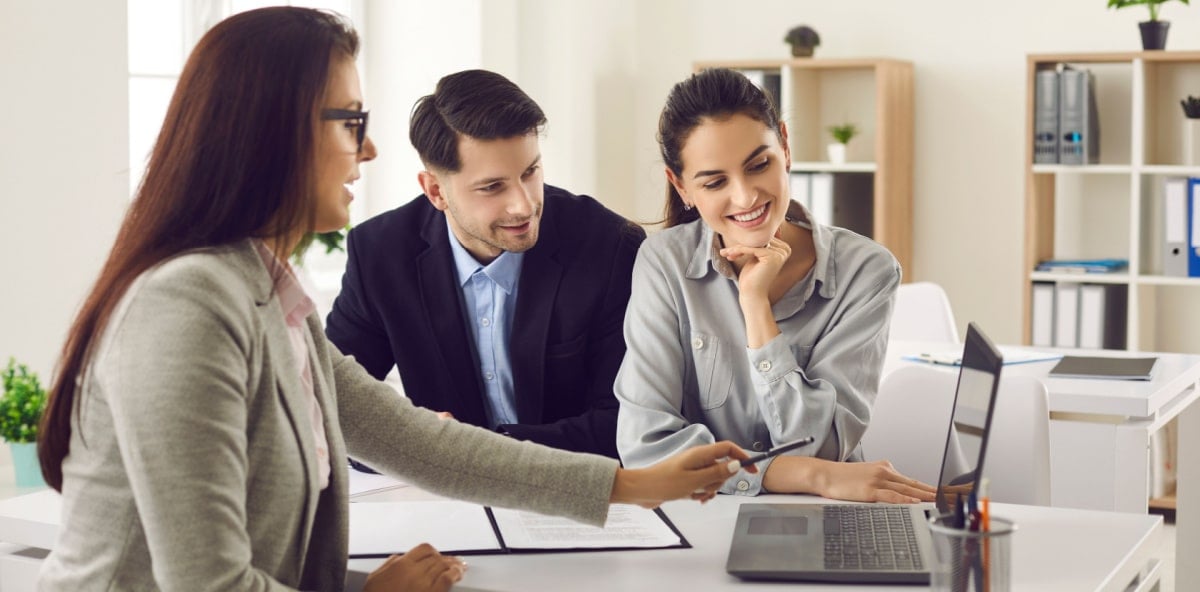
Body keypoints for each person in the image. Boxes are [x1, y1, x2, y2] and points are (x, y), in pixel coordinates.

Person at [35, 10, 750, 591]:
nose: (368, 150)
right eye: (350, 121)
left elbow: (414, 440)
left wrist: (630, 485)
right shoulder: (187, 306)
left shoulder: (266, 294)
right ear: (271, 133)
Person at [615, 68, 935, 503]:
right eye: (714, 182)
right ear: (681, 186)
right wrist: (809, 475)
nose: (746, 197)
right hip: (703, 519)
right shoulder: (663, 263)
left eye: (759, 165)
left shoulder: (867, 271)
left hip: (826, 515)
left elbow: (823, 446)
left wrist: (755, 307)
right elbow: (646, 450)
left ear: (785, 146)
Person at [325, 69, 643, 459]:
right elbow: (329, 407)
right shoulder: (380, 254)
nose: (524, 204)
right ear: (436, 191)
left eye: (531, 172)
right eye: (493, 187)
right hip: (445, 501)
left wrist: (476, 452)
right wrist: (411, 439)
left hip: (578, 492)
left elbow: (628, 422)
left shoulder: (608, 245)